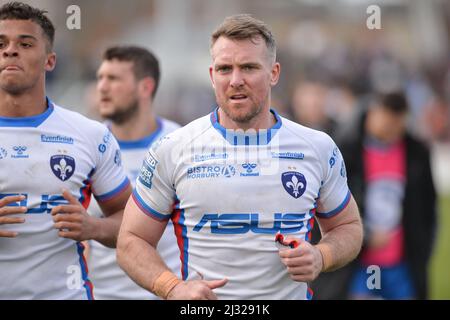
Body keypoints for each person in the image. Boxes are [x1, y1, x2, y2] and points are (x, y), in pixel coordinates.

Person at [116, 14, 363, 300]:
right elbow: (131, 240)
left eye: (248, 67)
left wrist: (321, 256)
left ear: (274, 73)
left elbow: (348, 227)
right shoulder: (173, 148)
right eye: (224, 69)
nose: (235, 80)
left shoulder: (317, 147)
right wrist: (172, 288)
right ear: (212, 76)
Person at [0, 2, 131, 299]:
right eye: (1, 43)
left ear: (50, 61)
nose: (10, 51)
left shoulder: (89, 135)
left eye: (25, 43)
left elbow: (132, 222)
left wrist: (94, 227)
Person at [88, 46, 181, 300]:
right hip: (102, 295)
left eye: (114, 78)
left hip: (167, 293)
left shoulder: (181, 145)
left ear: (145, 87)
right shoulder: (88, 145)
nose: (102, 87)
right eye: (100, 78)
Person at [334, 91, 436, 299]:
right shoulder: (346, 150)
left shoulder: (416, 153)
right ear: (373, 114)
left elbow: (428, 207)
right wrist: (366, 235)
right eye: (387, 123)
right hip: (361, 263)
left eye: (397, 125)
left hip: (401, 263)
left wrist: (424, 248)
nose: (391, 130)